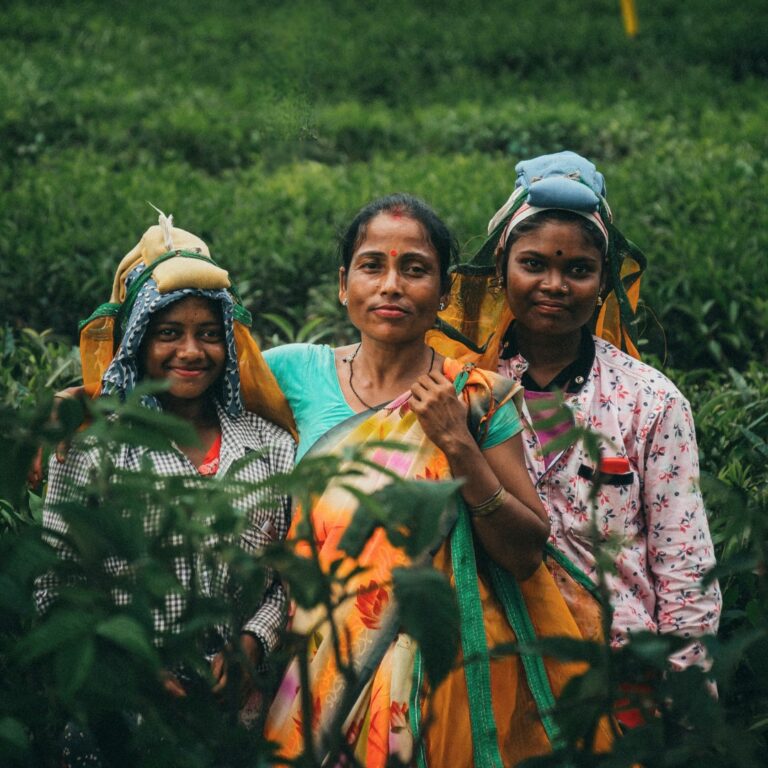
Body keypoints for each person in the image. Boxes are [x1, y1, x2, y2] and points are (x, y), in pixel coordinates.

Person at [262, 194, 613, 766]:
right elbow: (186, 380)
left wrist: (458, 445)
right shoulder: (291, 372)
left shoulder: (477, 396)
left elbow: (526, 551)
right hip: (311, 656)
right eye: (373, 265)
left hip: (440, 678)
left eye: (415, 269)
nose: (392, 285)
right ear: (342, 283)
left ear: (445, 291)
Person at [431, 151, 722, 682]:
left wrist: (686, 703)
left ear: (605, 280)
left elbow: (684, 568)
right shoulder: (462, 389)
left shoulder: (650, 402)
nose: (555, 285)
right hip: (493, 670)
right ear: (501, 268)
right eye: (534, 264)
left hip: (620, 671)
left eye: (579, 270)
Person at [35, 214, 297, 757]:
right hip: (119, 720)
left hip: (233, 715)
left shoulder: (271, 444)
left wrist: (253, 643)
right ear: (135, 343)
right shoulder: (87, 447)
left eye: (207, 334)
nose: (191, 352)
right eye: (168, 334)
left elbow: (290, 570)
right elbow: (55, 584)